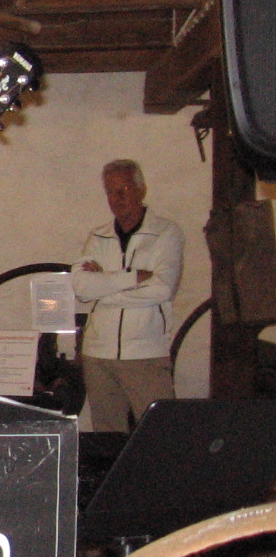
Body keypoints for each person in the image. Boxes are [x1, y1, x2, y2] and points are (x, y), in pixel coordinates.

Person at [72, 158, 183, 433]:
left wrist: (104, 288)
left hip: (145, 354)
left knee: (158, 434)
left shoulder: (165, 233)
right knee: (107, 437)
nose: (116, 199)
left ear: (141, 189)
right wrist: (132, 278)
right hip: (98, 355)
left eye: (123, 190)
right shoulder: (98, 237)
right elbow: (82, 288)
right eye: (110, 192)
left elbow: (162, 289)